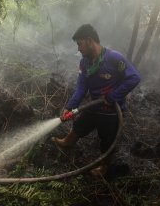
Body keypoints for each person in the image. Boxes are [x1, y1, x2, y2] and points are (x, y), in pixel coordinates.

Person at [52, 24, 141, 177]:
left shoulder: (113, 58)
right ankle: (68, 141)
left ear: (89, 40)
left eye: (79, 44)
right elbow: (81, 88)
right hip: (94, 107)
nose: (78, 49)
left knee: (107, 142)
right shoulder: (84, 63)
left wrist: (113, 97)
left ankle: (104, 167)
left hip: (112, 113)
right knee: (80, 124)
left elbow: (134, 78)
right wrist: (70, 107)